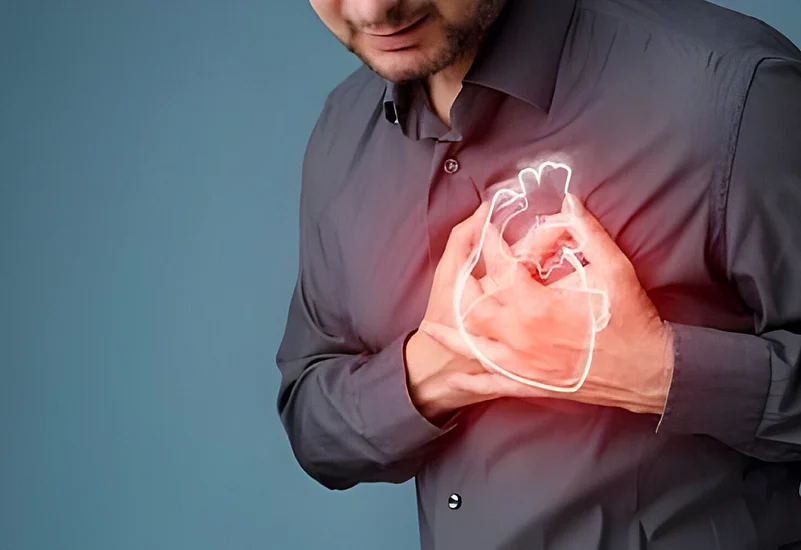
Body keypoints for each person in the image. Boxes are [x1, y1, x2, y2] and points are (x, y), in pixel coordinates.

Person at [275, 0, 801, 547]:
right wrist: (433, 372)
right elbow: (313, 425)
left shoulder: (736, 92)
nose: (373, 8)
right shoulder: (341, 132)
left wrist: (657, 373)